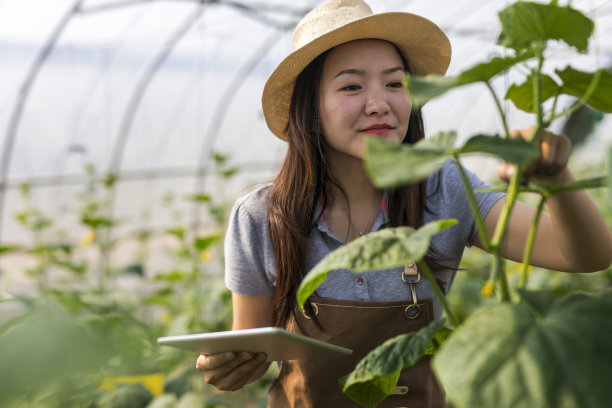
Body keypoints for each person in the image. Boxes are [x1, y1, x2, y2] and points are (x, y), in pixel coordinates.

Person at [196, 0, 612, 406]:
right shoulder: (262, 216)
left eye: (395, 83)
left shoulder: (444, 187)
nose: (379, 103)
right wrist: (228, 369)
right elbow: (246, 348)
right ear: (310, 107)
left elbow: (586, 254)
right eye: (352, 86)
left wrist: (558, 180)